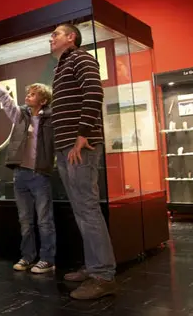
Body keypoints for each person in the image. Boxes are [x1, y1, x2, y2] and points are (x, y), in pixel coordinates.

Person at [49, 23, 117, 299]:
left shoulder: (81, 57)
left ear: (71, 37)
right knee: (80, 208)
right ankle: (93, 266)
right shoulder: (61, 67)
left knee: (87, 207)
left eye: (56, 34)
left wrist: (82, 135)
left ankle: (103, 274)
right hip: (66, 147)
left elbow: (94, 93)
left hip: (80, 146)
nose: (51, 39)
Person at [0, 62, 56, 274]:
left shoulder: (51, 119)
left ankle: (47, 259)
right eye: (28, 93)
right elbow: (5, 97)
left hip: (40, 175)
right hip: (20, 175)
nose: (28, 96)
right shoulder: (21, 115)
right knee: (25, 221)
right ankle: (28, 257)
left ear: (43, 99)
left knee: (44, 220)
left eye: (32, 94)